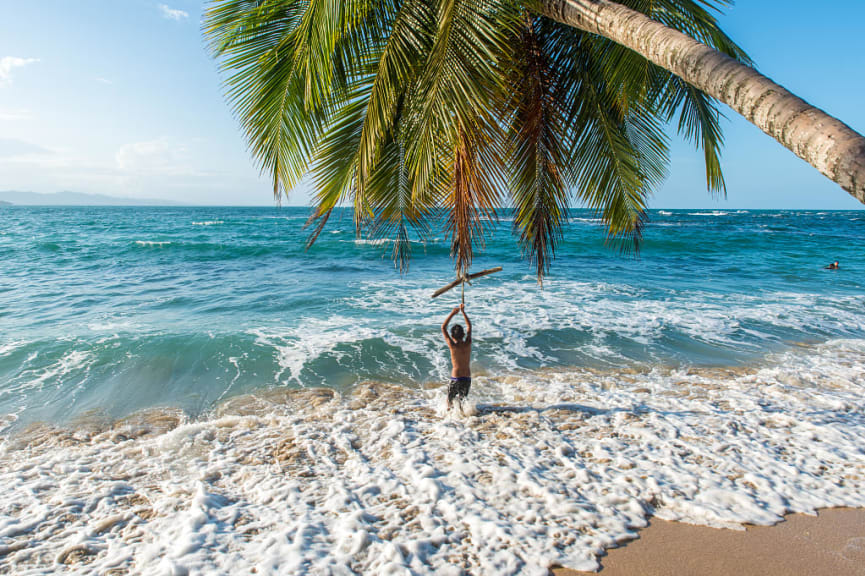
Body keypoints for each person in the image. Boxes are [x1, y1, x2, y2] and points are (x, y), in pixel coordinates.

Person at [442, 303, 472, 410]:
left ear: (452, 336)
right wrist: (463, 312)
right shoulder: (468, 343)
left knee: (449, 400)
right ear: (463, 334)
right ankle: (464, 419)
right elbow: (469, 326)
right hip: (467, 378)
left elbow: (443, 328)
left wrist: (452, 313)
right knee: (462, 401)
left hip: (456, 378)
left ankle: (450, 418)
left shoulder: (452, 346)